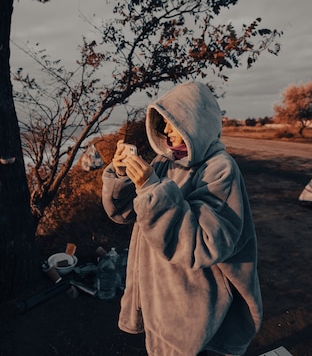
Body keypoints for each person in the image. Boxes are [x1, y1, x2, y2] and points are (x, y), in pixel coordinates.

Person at [101, 82, 262, 356]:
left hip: (194, 312)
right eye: (163, 123)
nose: (165, 131)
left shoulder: (219, 169)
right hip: (159, 299)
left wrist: (152, 188)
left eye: (173, 123)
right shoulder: (166, 162)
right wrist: (122, 176)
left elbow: (204, 244)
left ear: (195, 122)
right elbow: (125, 213)